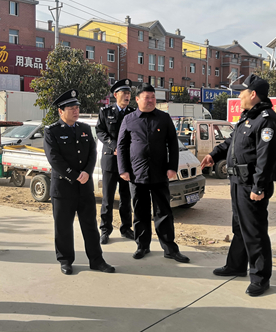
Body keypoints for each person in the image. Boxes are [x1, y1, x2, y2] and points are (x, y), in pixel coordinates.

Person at [201, 74, 276, 297]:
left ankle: (260, 277)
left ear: (253, 94)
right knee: (239, 227)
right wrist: (214, 155)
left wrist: (259, 187)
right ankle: (236, 265)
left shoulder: (266, 119)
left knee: (254, 231)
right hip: (237, 181)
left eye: (241, 93)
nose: (239, 97)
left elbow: (266, 158)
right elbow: (232, 142)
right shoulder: (248, 117)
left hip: (251, 185)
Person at [43, 89, 115, 276]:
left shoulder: (84, 128)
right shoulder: (52, 131)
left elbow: (92, 152)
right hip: (63, 188)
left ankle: (96, 260)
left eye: (77, 108)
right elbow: (54, 159)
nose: (76, 111)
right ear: (61, 111)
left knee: (90, 225)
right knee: (63, 227)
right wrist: (74, 175)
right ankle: (65, 260)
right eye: (71, 108)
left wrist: (86, 172)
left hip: (84, 187)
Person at [117, 83, 189, 263]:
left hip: (159, 173)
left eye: (153, 97)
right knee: (140, 212)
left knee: (163, 212)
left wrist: (172, 167)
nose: (150, 101)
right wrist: (123, 169)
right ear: (137, 99)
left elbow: (173, 144)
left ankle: (169, 248)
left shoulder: (164, 118)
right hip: (136, 174)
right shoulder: (129, 119)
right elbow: (122, 145)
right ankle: (142, 246)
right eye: (146, 97)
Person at [96, 79, 136, 244]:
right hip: (110, 160)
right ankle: (105, 230)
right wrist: (114, 146)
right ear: (115, 95)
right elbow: (100, 131)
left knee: (126, 198)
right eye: (124, 93)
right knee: (108, 198)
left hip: (127, 162)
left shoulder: (133, 113)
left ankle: (126, 228)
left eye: (129, 93)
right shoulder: (106, 112)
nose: (127, 96)